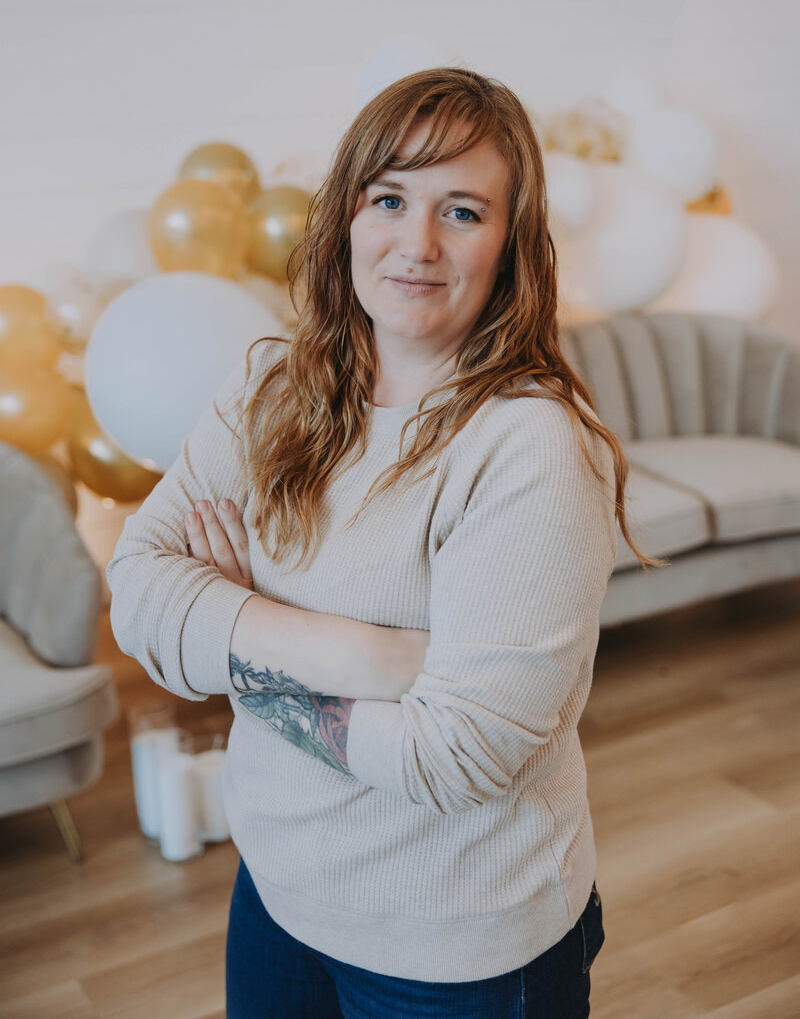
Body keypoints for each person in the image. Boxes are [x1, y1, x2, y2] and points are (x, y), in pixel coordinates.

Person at [106, 66, 663, 1018]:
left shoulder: (527, 445)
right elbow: (137, 592)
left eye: (463, 212)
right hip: (277, 892)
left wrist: (234, 634)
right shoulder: (272, 388)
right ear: (347, 218)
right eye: (391, 198)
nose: (416, 244)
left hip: (457, 948)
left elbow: (454, 754)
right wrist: (368, 655)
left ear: (512, 246)